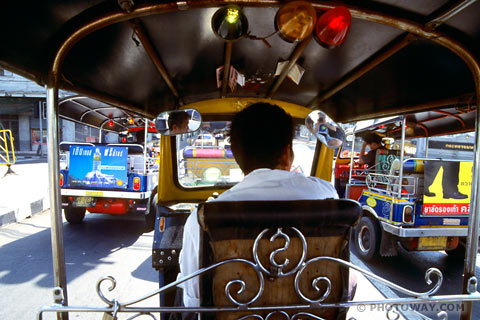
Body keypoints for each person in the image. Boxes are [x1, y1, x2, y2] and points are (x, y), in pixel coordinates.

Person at [177, 102, 340, 309]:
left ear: (238, 157)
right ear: (285, 153)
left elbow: (193, 301)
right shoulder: (327, 196)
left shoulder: (202, 220)